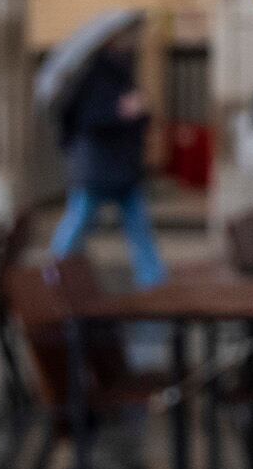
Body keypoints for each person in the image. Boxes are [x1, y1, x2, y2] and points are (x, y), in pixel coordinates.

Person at [51, 21, 167, 289]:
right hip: (97, 166)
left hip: (122, 166)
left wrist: (139, 112)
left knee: (138, 227)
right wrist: (121, 112)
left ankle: (153, 280)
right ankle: (54, 274)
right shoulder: (93, 77)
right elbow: (88, 120)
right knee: (78, 221)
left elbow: (135, 117)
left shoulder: (121, 74)